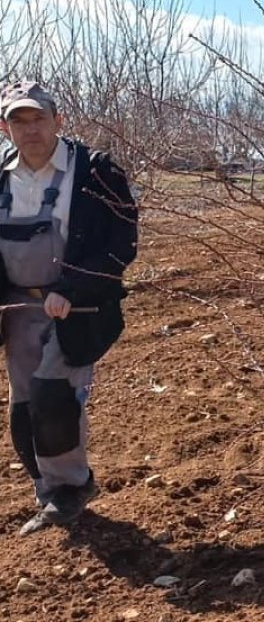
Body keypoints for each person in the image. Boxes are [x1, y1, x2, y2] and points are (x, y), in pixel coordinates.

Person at [0, 81, 137, 535]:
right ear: (5, 128)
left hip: (75, 309)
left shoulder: (95, 172)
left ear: (58, 120)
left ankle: (70, 488)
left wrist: (74, 288)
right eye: (19, 121)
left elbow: (121, 244)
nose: (30, 129)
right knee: (23, 407)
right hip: (17, 308)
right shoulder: (2, 175)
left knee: (52, 394)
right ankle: (47, 488)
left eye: (39, 118)